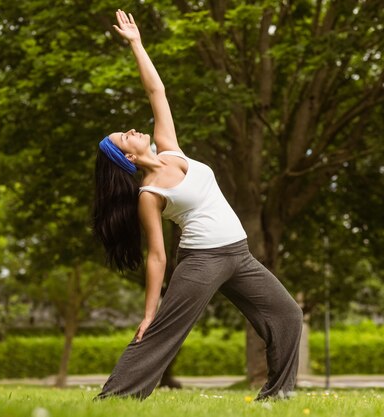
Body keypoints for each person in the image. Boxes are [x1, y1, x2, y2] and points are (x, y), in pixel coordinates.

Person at [91, 9, 303, 402]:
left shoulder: (170, 149)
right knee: (163, 333)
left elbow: (158, 92)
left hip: (240, 254)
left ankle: (277, 398)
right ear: (130, 159)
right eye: (125, 137)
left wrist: (137, 44)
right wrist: (149, 311)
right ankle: (113, 400)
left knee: (288, 315)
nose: (132, 130)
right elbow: (156, 257)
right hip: (202, 261)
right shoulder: (149, 195)